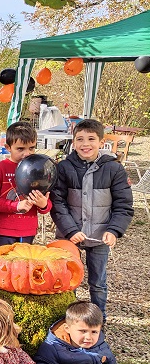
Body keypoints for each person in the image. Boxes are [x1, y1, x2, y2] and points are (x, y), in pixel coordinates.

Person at [49, 119, 133, 318]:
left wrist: (113, 230)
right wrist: (70, 230)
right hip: (70, 235)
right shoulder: (64, 168)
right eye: (80, 139)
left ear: (101, 142)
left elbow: (123, 205)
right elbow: (57, 202)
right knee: (67, 278)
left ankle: (98, 319)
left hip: (99, 236)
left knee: (98, 282)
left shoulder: (114, 169)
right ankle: (69, 317)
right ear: (73, 142)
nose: (85, 144)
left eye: (91, 139)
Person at [0, 121, 52, 292]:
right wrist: (14, 206)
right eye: (20, 149)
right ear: (8, 147)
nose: (26, 154)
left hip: (27, 230)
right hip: (2, 231)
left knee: (21, 271)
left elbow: (47, 204)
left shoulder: (40, 168)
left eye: (31, 148)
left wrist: (43, 204)